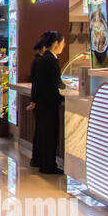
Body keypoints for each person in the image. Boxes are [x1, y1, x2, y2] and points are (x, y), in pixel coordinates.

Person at [27, 30, 66, 175]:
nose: (64, 46)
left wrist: (34, 99)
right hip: (49, 105)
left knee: (42, 134)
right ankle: (48, 165)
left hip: (41, 103)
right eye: (62, 43)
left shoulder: (42, 60)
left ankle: (41, 161)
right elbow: (56, 83)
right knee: (49, 135)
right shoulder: (51, 61)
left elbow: (37, 83)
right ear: (56, 43)